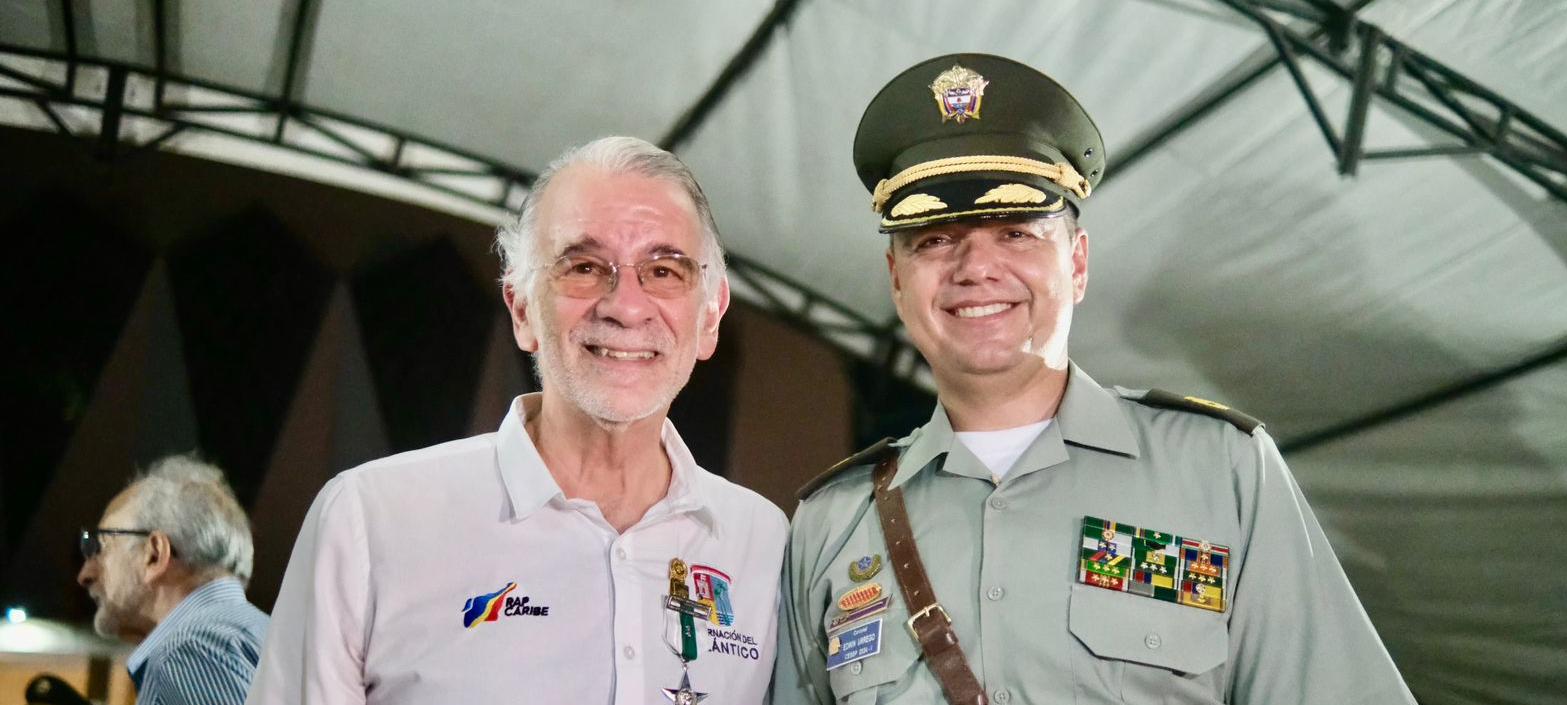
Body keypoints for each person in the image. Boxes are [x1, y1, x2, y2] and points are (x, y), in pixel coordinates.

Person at [775, 54, 1416, 705]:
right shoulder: (831, 524)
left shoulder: (1220, 472)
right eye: (935, 239)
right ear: (895, 278)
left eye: (1015, 231)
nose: (975, 267)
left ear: (1076, 263)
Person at [246, 136, 787, 705]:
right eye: (583, 266)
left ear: (710, 315)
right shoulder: (369, 522)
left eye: (664, 270)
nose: (625, 305)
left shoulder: (765, 546)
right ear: (522, 308)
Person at [77, 454, 269, 705]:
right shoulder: (260, 632)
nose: (85, 575)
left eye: (100, 546)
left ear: (154, 554)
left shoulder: (188, 652)